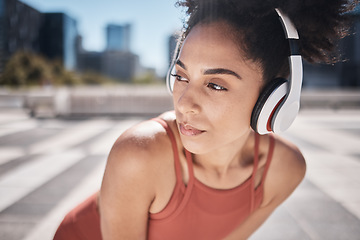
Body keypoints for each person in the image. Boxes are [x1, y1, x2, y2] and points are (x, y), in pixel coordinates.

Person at [54, 0, 358, 239]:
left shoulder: (285, 170)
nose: (184, 103)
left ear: (275, 98)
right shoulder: (139, 154)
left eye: (215, 85)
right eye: (182, 76)